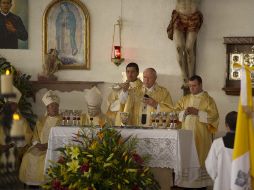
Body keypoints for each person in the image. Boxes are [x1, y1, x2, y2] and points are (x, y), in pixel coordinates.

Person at [174, 75, 219, 188]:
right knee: (186, 160)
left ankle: (200, 186)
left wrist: (197, 112)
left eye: (194, 86)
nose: (191, 88)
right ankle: (186, 185)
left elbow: (214, 117)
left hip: (201, 138)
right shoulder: (185, 99)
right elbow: (175, 113)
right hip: (186, 137)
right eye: (190, 86)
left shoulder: (208, 100)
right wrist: (184, 112)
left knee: (200, 160)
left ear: (200, 85)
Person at [19, 90, 61, 186]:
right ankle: (32, 184)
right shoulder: (41, 120)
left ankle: (47, 183)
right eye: (52, 106)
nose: (54, 108)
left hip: (52, 147)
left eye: (56, 106)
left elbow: (61, 137)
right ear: (47, 108)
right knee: (28, 155)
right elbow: (35, 135)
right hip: (39, 146)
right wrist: (37, 144)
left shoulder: (62, 120)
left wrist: (48, 145)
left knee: (45, 158)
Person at [167, 0, 202, 87]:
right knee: (179, 48)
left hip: (193, 16)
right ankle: (183, 75)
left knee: (189, 48)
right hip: (179, 15)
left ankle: (191, 77)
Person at [205, 111, 237, 190]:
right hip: (240, 184)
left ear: (226, 125)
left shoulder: (217, 143)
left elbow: (210, 165)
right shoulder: (246, 145)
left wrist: (216, 177)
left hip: (221, 184)